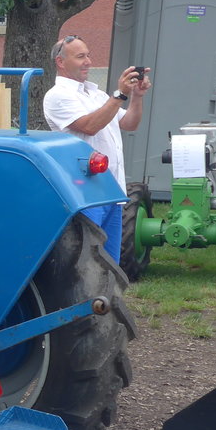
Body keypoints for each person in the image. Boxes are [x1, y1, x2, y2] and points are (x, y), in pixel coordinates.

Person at [43, 34, 151, 262]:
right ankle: (88, 300)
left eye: (88, 55)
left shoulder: (96, 94)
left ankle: (108, 299)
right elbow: (89, 126)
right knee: (87, 262)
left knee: (110, 263)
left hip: (110, 189)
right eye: (80, 56)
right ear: (61, 62)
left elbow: (129, 123)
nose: (88, 61)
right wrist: (119, 95)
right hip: (84, 193)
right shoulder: (57, 95)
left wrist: (136, 97)